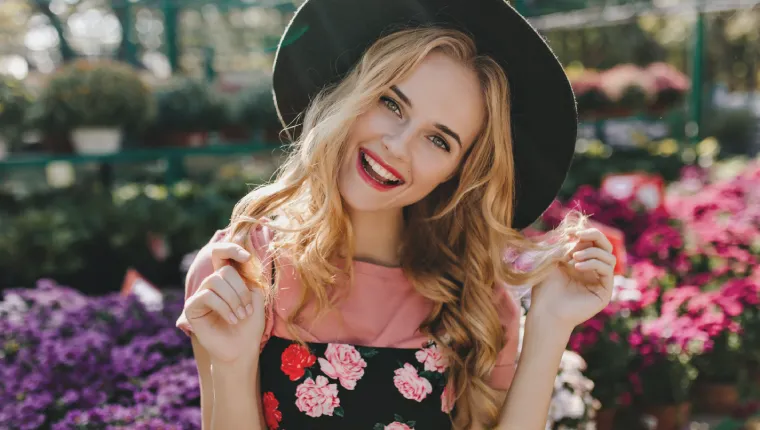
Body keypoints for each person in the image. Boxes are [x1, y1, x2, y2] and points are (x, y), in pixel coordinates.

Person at [175, 0, 617, 429]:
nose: (398, 146)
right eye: (391, 104)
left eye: (439, 140)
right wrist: (231, 368)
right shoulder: (241, 272)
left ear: (457, 173)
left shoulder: (473, 299)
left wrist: (550, 325)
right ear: (352, 93)